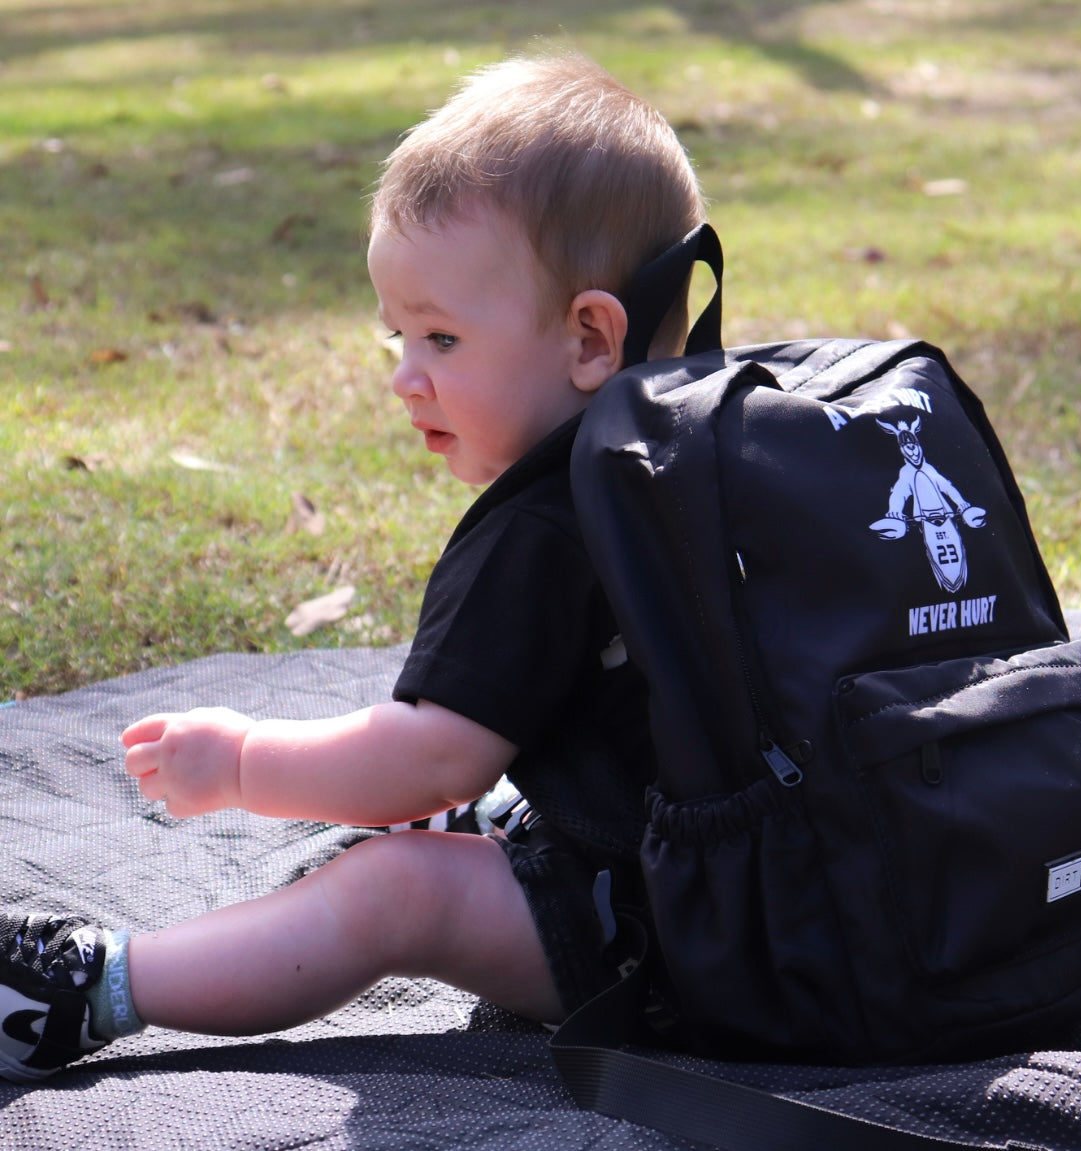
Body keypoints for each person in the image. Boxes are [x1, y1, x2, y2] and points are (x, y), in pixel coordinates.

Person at [0, 49, 706, 1083]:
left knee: (389, 889)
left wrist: (243, 760)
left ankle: (87, 989)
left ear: (592, 336)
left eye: (441, 337)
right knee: (501, 811)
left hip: (674, 939)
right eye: (397, 335)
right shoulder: (712, 443)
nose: (403, 377)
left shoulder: (543, 524)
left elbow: (425, 763)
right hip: (791, 883)